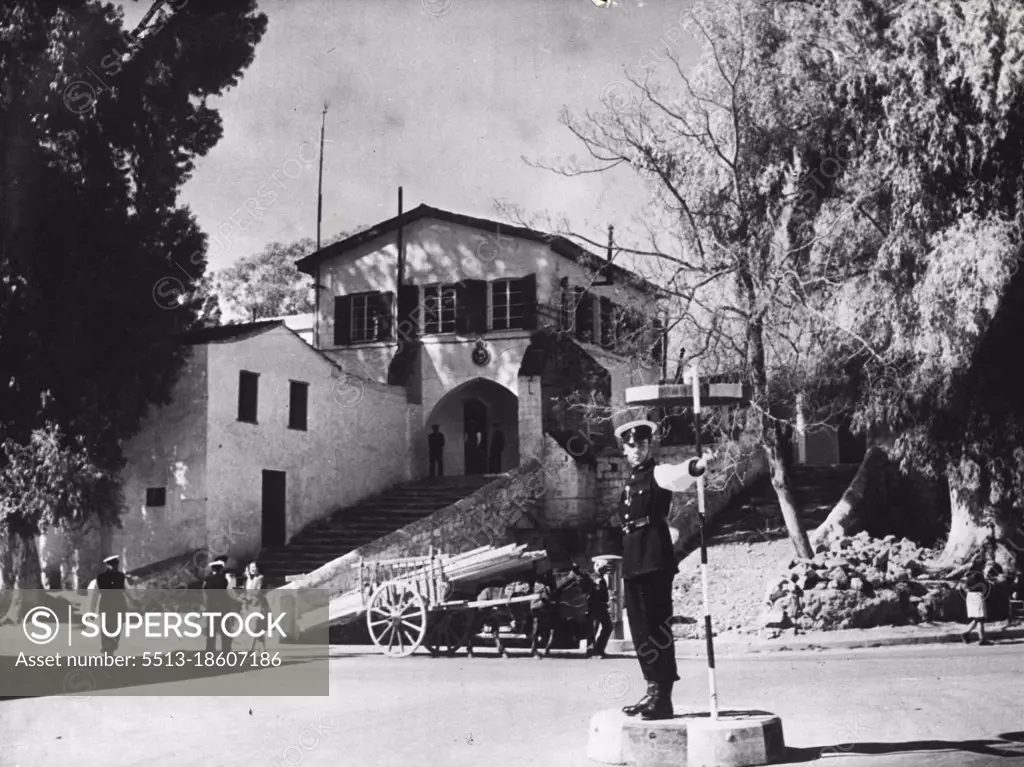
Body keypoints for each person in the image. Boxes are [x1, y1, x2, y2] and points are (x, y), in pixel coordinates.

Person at [613, 410, 713, 721]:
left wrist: (697, 466)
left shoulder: (657, 473)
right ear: (625, 450)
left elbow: (680, 475)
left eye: (643, 445)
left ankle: (663, 696)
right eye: (633, 447)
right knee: (641, 629)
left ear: (649, 447)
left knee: (657, 627)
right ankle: (652, 689)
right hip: (633, 557)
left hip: (654, 557)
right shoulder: (629, 481)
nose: (638, 450)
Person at [89, 555, 129, 657]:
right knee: (116, 626)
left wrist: (92, 611)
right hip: (119, 604)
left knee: (107, 627)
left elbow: (94, 596)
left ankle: (107, 647)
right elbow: (129, 591)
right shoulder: (121, 577)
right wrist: (136, 601)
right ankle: (111, 646)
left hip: (106, 605)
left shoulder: (100, 578)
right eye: (116, 565)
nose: (116, 567)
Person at [202, 559, 237, 653]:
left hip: (211, 608)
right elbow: (231, 592)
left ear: (213, 569)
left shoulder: (208, 579)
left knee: (211, 631)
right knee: (225, 631)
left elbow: (205, 593)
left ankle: (210, 650)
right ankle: (226, 650)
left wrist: (205, 606)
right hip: (224, 608)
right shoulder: (225, 580)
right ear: (221, 569)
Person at [960, 555, 995, 646]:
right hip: (977, 596)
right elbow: (985, 583)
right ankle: (982, 639)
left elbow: (963, 585)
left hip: (970, 596)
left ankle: (966, 633)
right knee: (980, 619)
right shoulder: (979, 574)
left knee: (977, 618)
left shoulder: (969, 573)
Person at [585, 562, 613, 659]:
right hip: (593, 607)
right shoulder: (592, 578)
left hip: (602, 607)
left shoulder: (602, 579)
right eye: (604, 568)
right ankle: (591, 651)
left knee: (608, 626)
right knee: (592, 630)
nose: (606, 570)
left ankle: (599, 649)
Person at [243, 562, 270, 655]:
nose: (253, 569)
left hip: (258, 605)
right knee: (258, 629)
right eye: (251, 567)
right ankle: (263, 650)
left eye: (254, 567)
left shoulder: (259, 578)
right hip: (251, 605)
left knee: (254, 628)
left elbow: (257, 591)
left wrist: (249, 594)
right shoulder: (249, 580)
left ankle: (251, 649)